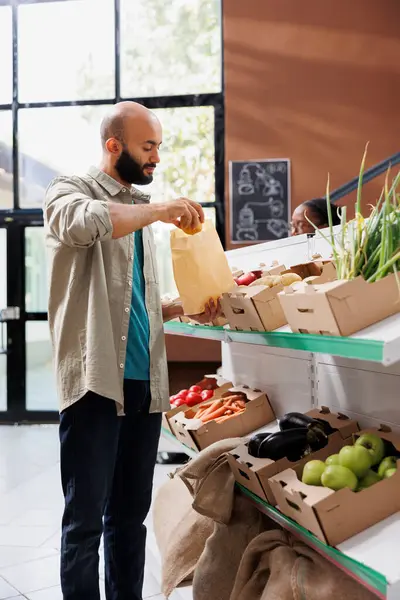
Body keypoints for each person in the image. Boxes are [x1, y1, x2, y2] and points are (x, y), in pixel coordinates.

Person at [44, 101, 221, 600]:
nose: (156, 159)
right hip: (96, 384)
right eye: (149, 147)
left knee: (129, 519)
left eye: (159, 147)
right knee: (85, 523)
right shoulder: (68, 191)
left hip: (146, 387)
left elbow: (133, 306)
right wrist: (159, 211)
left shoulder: (139, 219)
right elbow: (82, 224)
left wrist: (181, 308)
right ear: (113, 145)